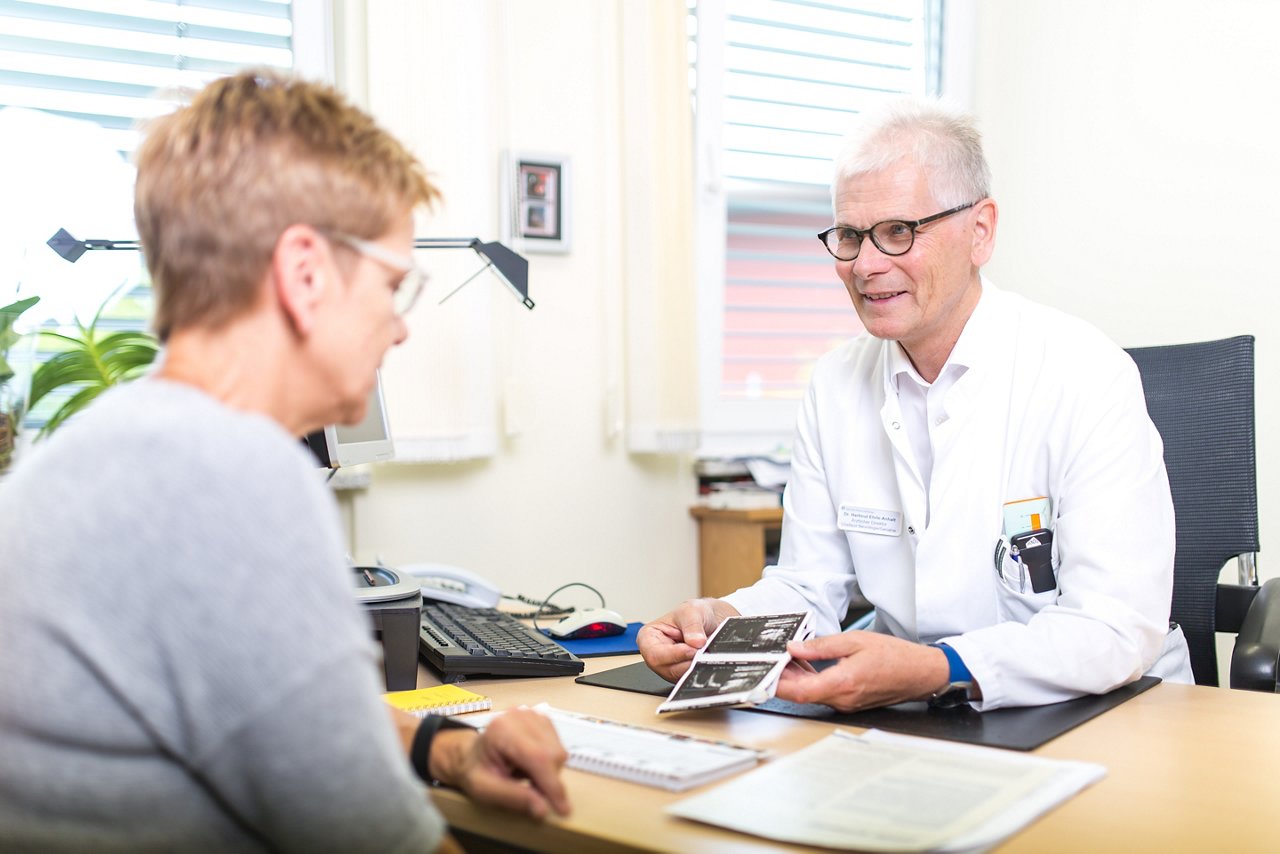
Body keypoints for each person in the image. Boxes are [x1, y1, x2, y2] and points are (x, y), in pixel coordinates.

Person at [0, 70, 569, 851]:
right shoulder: (232, 478)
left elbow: (281, 714)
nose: (399, 329)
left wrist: (447, 746)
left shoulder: (99, 453)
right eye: (392, 286)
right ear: (305, 274)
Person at [640, 97, 1194, 712]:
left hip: (1101, 708)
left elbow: (1114, 627)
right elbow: (809, 585)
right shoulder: (835, 383)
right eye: (849, 236)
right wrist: (723, 623)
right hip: (919, 714)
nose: (866, 266)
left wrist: (940, 667)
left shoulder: (1085, 373)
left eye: (899, 232)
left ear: (980, 231)